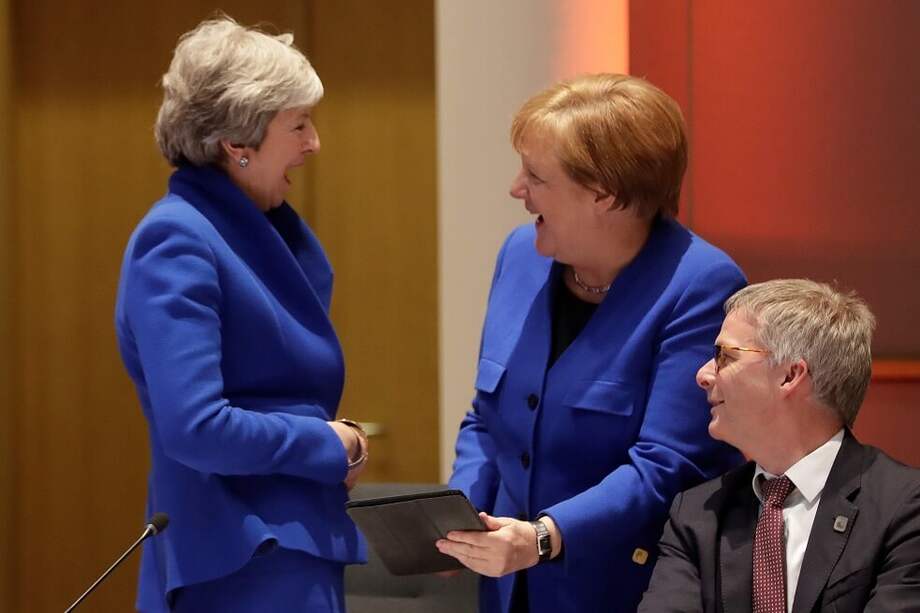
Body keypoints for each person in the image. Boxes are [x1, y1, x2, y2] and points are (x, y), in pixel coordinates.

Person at [436, 73, 747, 613]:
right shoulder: (519, 255)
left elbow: (667, 465)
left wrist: (542, 536)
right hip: (508, 591)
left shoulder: (701, 284)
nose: (516, 189)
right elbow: (488, 418)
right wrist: (456, 516)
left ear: (604, 193)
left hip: (626, 590)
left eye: (535, 175)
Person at [114, 16, 368, 612]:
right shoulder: (178, 241)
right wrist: (332, 445)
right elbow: (197, 426)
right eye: (298, 125)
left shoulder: (252, 229)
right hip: (238, 559)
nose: (313, 144)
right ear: (238, 145)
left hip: (281, 548)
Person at [639, 279, 920, 613]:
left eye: (725, 356)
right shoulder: (697, 514)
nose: (703, 375)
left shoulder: (904, 507)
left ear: (790, 375)